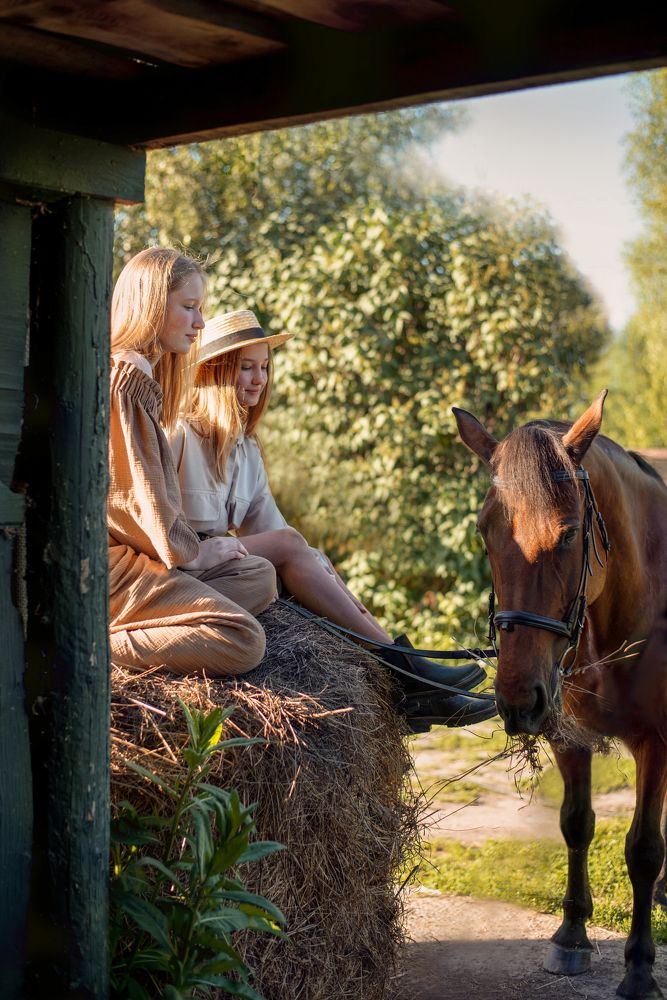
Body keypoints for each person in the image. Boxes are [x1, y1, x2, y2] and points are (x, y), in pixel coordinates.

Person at [168, 307, 496, 728]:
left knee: (311, 554)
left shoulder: (246, 449)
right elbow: (160, 528)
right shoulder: (178, 435)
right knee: (291, 545)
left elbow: (270, 527)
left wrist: (321, 564)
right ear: (213, 373)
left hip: (230, 571)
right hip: (186, 574)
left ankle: (411, 684)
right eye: (245, 368)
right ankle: (408, 671)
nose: (258, 379)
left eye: (264, 367)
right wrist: (284, 549)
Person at [108, 250, 278, 677]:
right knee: (244, 639)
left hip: (145, 564)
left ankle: (163, 619)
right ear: (150, 304)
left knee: (259, 575)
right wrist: (195, 554)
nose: (200, 323)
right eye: (189, 307)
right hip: (117, 574)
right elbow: (136, 505)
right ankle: (98, 642)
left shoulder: (140, 380)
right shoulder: (125, 381)